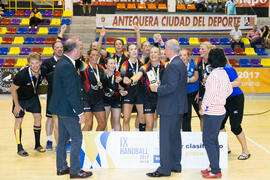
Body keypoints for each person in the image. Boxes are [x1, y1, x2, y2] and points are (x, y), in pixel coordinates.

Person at [49, 39, 92, 178]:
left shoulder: (64, 62)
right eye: (79, 48)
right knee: (76, 138)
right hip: (68, 109)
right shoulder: (67, 65)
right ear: (73, 51)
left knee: (62, 139)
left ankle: (61, 168)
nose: (81, 51)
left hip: (61, 108)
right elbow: (71, 92)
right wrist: (80, 112)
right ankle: (75, 170)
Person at [147, 39, 188, 177]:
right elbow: (173, 84)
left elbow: (171, 87)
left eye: (165, 49)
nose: (164, 51)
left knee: (165, 139)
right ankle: (176, 165)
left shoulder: (173, 65)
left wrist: (157, 88)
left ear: (170, 49)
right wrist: (162, 84)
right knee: (175, 137)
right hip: (177, 107)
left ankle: (164, 169)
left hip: (169, 107)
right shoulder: (180, 63)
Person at [199, 48, 233, 178]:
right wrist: (221, 98)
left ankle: (215, 170)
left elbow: (209, 94)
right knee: (212, 140)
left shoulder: (213, 75)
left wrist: (204, 106)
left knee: (208, 140)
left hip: (212, 112)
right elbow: (229, 90)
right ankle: (213, 165)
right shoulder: (224, 72)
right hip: (220, 111)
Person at [11, 52, 46, 157]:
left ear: (40, 63)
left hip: (33, 97)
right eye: (32, 63)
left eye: (37, 63)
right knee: (19, 120)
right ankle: (19, 147)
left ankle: (37, 144)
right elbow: (13, 89)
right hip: (20, 99)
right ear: (29, 64)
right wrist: (16, 105)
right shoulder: (21, 75)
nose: (35, 65)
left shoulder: (43, 70)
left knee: (38, 117)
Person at [126, 46, 167, 131]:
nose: (153, 54)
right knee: (149, 124)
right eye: (151, 52)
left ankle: (160, 142)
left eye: (155, 52)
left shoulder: (166, 66)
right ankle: (149, 144)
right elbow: (138, 75)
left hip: (162, 98)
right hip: (148, 99)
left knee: (164, 125)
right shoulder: (145, 67)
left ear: (159, 55)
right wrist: (131, 80)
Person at [42, 25, 67, 151]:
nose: (59, 49)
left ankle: (64, 140)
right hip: (53, 95)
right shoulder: (47, 63)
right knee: (50, 118)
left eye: (61, 48)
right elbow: (47, 77)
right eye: (57, 48)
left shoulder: (67, 61)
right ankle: (49, 139)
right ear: (53, 50)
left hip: (66, 96)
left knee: (65, 119)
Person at [220, 62, 250, 160]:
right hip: (225, 99)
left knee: (235, 126)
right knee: (220, 124)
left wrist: (225, 84)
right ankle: (226, 148)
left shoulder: (227, 68)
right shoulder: (213, 68)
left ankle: (246, 151)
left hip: (235, 98)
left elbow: (238, 82)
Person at [80, 48, 106, 131]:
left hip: (98, 100)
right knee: (89, 124)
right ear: (88, 56)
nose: (95, 57)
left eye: (97, 55)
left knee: (102, 124)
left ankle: (94, 142)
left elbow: (105, 81)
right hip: (86, 99)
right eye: (93, 55)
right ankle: (79, 143)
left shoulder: (101, 68)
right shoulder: (83, 68)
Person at [121, 44, 145, 131]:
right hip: (129, 93)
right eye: (131, 49)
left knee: (142, 118)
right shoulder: (124, 65)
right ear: (128, 52)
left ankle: (139, 137)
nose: (134, 51)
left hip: (140, 93)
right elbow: (122, 82)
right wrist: (123, 82)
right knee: (126, 119)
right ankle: (125, 139)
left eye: (135, 49)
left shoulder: (142, 63)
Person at [196, 41, 215, 130]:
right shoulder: (200, 62)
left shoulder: (214, 62)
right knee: (202, 115)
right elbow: (199, 80)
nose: (200, 50)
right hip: (203, 92)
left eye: (202, 49)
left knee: (211, 116)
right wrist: (198, 92)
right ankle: (203, 136)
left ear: (208, 50)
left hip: (213, 92)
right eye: (200, 49)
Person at [103, 58, 125, 131]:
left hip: (116, 99)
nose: (113, 65)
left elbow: (122, 89)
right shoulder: (102, 74)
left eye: (114, 63)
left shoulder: (118, 74)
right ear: (106, 65)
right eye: (111, 63)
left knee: (116, 120)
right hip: (105, 99)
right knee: (104, 121)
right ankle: (106, 140)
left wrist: (119, 82)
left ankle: (117, 138)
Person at [180, 48, 200, 131]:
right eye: (180, 55)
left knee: (202, 115)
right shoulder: (177, 66)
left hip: (195, 94)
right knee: (186, 117)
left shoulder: (194, 64)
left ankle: (206, 135)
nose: (182, 57)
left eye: (184, 55)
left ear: (188, 57)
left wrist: (199, 92)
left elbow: (196, 78)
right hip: (184, 95)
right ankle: (187, 137)